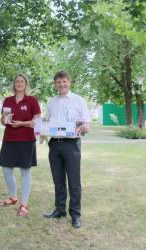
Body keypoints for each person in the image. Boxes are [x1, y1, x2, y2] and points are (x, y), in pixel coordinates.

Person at [43, 70, 91, 228]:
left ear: (69, 82)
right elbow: (47, 123)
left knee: (74, 182)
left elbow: (87, 125)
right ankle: (59, 209)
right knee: (58, 180)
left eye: (64, 81)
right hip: (54, 144)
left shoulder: (79, 100)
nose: (61, 84)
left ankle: (76, 215)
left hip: (72, 144)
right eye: (58, 82)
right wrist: (40, 124)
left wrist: (84, 127)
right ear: (55, 84)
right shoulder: (51, 102)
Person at [0, 74, 41, 216]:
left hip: (27, 140)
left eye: (22, 81)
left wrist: (22, 123)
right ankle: (13, 197)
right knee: (6, 170)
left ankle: (24, 203)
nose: (19, 83)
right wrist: (4, 120)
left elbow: (37, 122)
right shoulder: (7, 100)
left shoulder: (32, 100)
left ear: (26, 84)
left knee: (25, 171)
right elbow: (2, 120)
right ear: (14, 84)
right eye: (17, 81)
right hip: (9, 139)